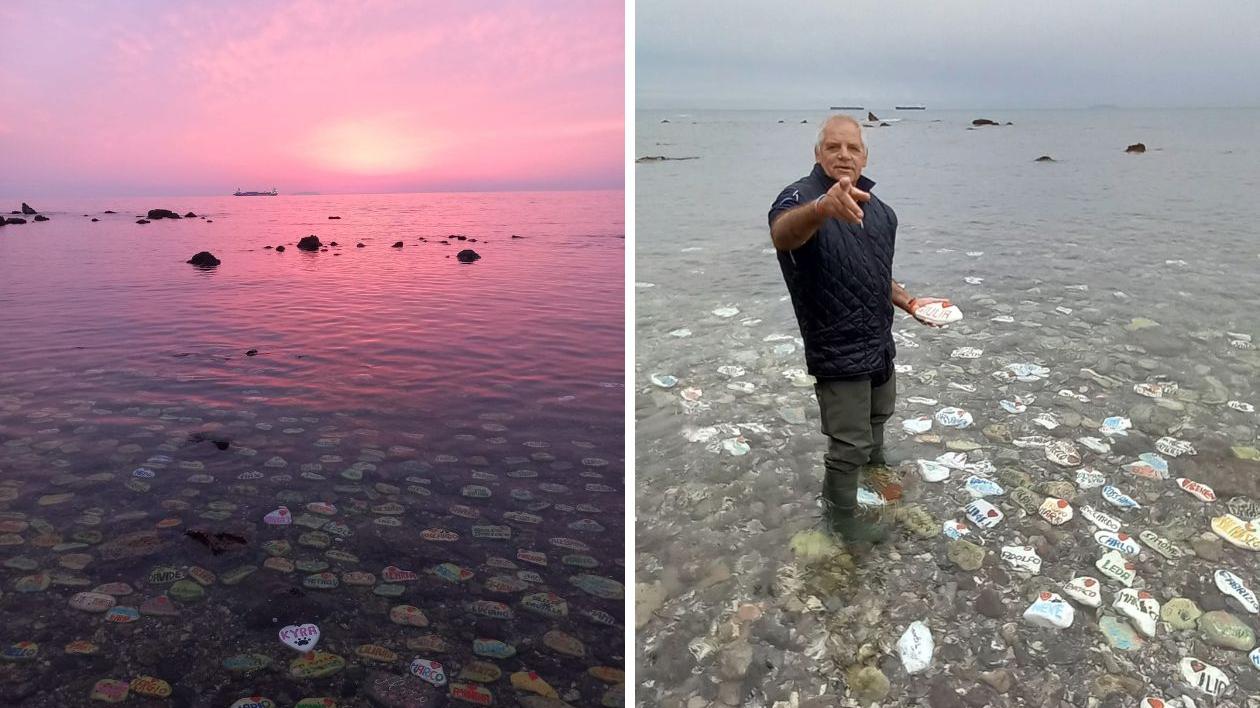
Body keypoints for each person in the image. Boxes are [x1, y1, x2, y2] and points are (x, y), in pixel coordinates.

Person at [767, 114, 950, 543]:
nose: (844, 155)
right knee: (848, 446)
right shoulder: (800, 198)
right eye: (834, 147)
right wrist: (822, 209)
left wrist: (908, 301)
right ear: (818, 153)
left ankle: (877, 469)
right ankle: (841, 524)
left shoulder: (882, 213)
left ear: (865, 156)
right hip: (837, 347)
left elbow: (873, 273)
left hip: (879, 342)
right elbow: (783, 235)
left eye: (853, 148)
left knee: (878, 418)